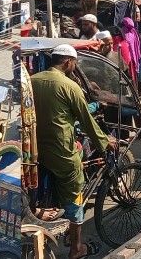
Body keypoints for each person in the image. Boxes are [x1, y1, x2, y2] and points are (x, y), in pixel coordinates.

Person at [32, 44, 115, 259]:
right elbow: (87, 121)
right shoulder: (70, 86)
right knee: (75, 193)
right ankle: (76, 248)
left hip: (36, 150)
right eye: (74, 63)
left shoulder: (33, 80)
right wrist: (105, 141)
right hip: (61, 151)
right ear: (69, 62)